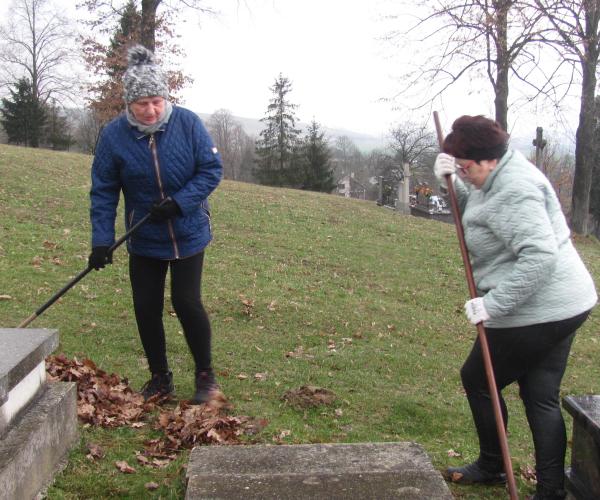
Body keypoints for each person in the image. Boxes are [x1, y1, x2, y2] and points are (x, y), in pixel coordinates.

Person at [433, 115, 597, 500]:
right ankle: (551, 492)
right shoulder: (497, 172)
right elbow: (480, 200)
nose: (465, 172)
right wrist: (452, 178)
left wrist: (494, 304)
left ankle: (492, 465)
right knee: (540, 393)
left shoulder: (516, 188)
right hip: (568, 301)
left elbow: (539, 257)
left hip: (541, 305)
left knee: (477, 379)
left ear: (488, 159)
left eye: (466, 166)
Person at [88, 44, 223, 404]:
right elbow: (103, 190)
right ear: (129, 103)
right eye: (142, 103)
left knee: (186, 300)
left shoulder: (188, 124)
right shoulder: (113, 136)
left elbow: (211, 171)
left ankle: (206, 377)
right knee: (146, 305)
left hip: (188, 230)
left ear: (165, 98)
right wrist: (101, 241)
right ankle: (160, 378)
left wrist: (180, 203)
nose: (150, 110)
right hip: (144, 234)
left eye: (156, 101)